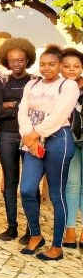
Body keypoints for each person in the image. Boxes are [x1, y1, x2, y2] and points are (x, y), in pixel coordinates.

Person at [16, 45, 78, 260]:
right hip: (32, 140)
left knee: (56, 195)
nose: (46, 68)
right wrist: (28, 136)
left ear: (60, 65)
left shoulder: (68, 85)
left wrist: (35, 134)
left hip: (58, 140)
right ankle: (35, 235)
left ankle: (57, 246)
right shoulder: (32, 84)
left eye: (51, 64)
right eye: (43, 64)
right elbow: (22, 111)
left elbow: (59, 115)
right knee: (26, 189)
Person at [0, 37, 36, 241]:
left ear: (27, 60)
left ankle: (32, 229)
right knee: (10, 182)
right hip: (7, 135)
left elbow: (37, 111)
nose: (16, 64)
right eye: (12, 60)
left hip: (30, 136)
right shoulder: (1, 82)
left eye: (20, 60)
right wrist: (22, 108)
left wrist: (12, 105)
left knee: (31, 183)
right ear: (6, 61)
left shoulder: (36, 81)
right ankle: (11, 226)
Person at [62, 48, 83, 249]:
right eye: (67, 66)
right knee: (72, 184)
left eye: (76, 66)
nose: (72, 69)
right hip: (68, 141)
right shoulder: (58, 88)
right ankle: (70, 229)